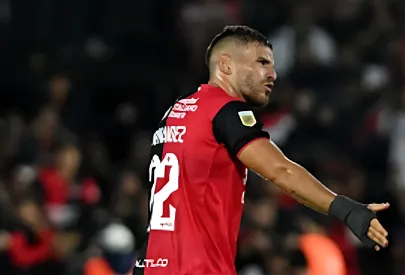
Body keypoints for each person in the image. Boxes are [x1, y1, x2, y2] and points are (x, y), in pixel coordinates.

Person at [133, 25, 389, 275]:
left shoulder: (174, 114)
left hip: (150, 265)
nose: (273, 74)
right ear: (226, 65)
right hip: (197, 268)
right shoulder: (226, 111)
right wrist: (345, 208)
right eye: (262, 63)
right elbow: (280, 170)